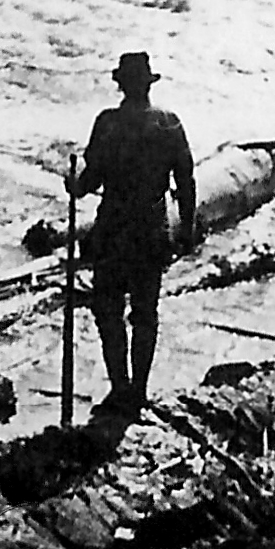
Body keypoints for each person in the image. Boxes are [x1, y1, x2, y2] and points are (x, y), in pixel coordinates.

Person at [73, 51, 197, 413]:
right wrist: (186, 227)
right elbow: (186, 180)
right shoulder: (169, 124)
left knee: (107, 309)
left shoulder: (107, 124)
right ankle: (138, 390)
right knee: (145, 311)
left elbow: (89, 181)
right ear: (148, 83)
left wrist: (74, 185)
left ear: (121, 84)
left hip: (113, 226)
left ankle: (120, 386)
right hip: (151, 227)